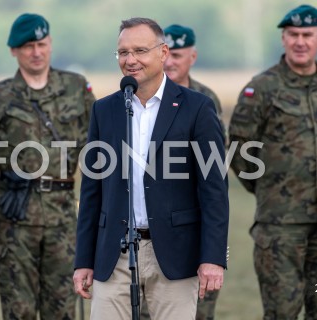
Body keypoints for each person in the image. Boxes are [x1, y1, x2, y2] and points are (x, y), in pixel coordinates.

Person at [73, 17, 229, 320]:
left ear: (163, 52)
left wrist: (212, 258)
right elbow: (92, 192)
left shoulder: (197, 107)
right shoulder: (104, 110)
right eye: (123, 52)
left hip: (175, 256)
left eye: (140, 51)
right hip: (113, 258)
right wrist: (83, 260)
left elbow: (213, 191)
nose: (130, 60)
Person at [229, 5, 317, 319]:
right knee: (281, 312)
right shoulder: (261, 88)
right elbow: (238, 148)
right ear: (284, 39)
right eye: (293, 35)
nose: (300, 41)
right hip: (280, 228)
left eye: (307, 35)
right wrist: (267, 188)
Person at [0, 13, 95, 320]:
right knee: (18, 309)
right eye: (27, 47)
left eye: (41, 44)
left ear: (50, 44)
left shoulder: (77, 89)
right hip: (14, 219)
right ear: (14, 50)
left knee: (63, 309)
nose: (36, 52)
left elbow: (100, 152)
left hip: (64, 217)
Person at [140, 23, 225, 320]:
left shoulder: (204, 101)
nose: (171, 61)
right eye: (168, 54)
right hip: (152, 220)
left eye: (178, 55)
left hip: (194, 221)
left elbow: (215, 172)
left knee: (199, 309)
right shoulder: (136, 97)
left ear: (193, 56)